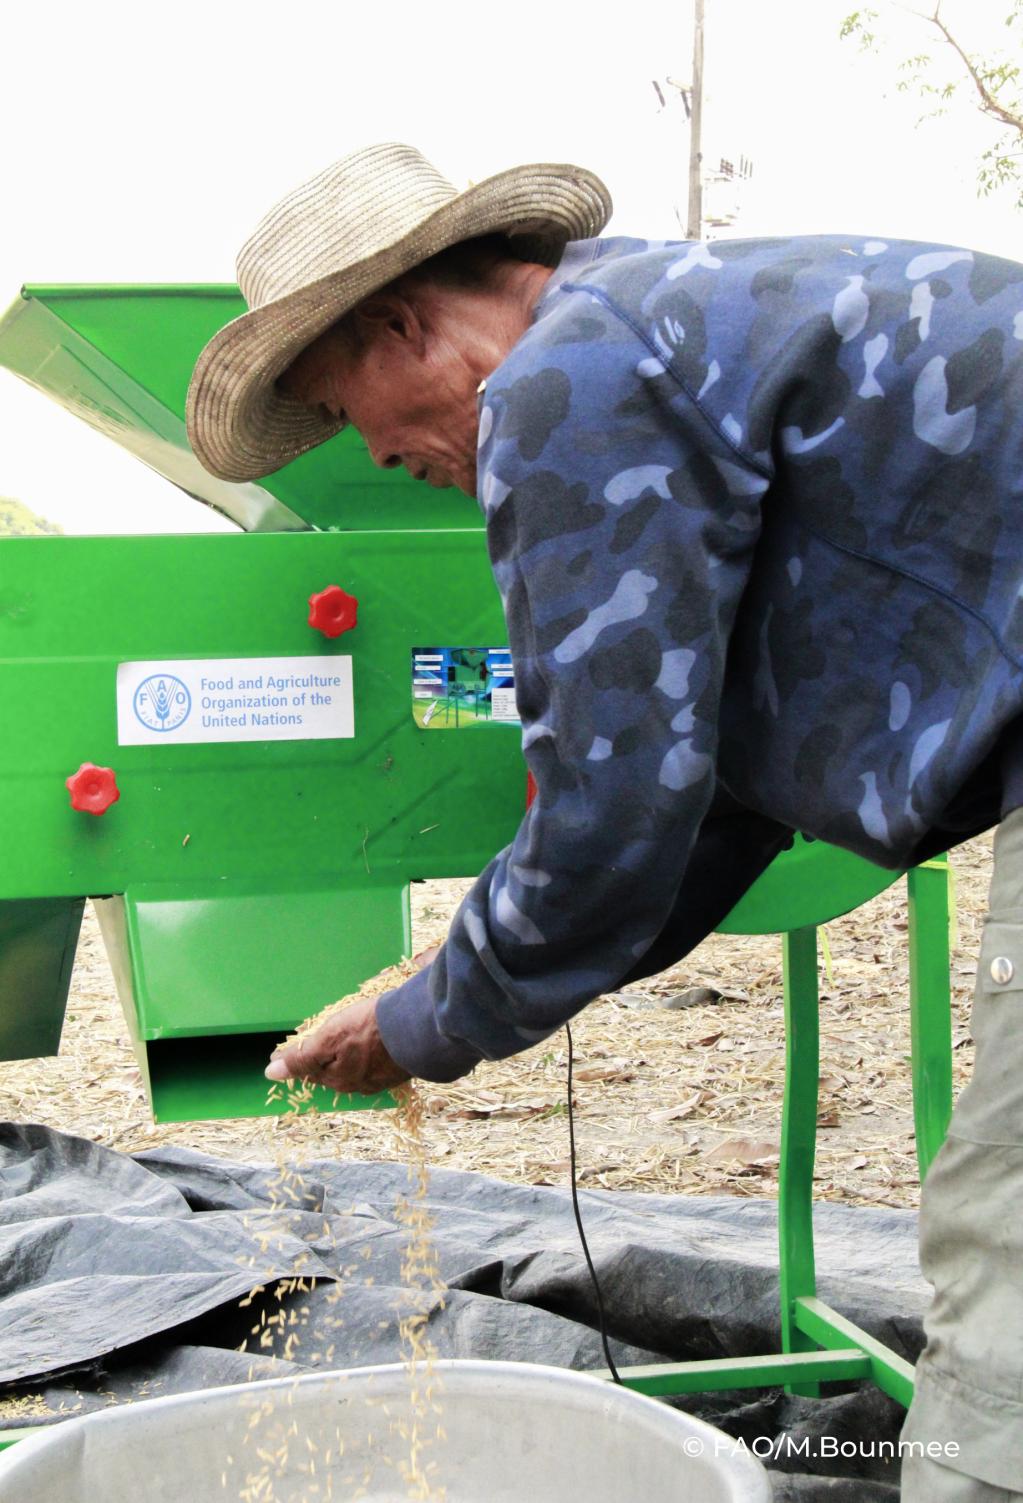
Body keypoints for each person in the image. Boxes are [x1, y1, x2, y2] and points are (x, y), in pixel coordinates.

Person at [187, 143, 1023, 1501]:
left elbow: (608, 811)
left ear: (403, 324)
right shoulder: (660, 332)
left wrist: (425, 1019)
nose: (384, 458)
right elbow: (703, 811)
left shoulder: (568, 382)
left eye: (354, 412)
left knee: (1010, 1258)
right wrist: (450, 995)